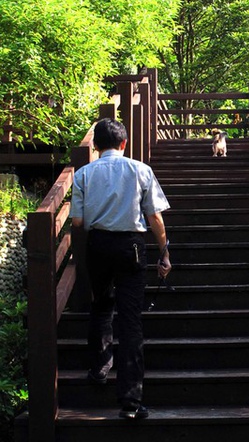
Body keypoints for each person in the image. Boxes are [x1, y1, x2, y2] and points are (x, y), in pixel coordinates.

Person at [70, 118, 171, 420]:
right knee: (130, 321)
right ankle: (130, 401)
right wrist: (164, 252)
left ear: (96, 146)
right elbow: (153, 217)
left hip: (98, 245)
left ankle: (99, 369)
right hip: (132, 247)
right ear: (124, 143)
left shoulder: (83, 175)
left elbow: (76, 222)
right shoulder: (140, 170)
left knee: (100, 307)